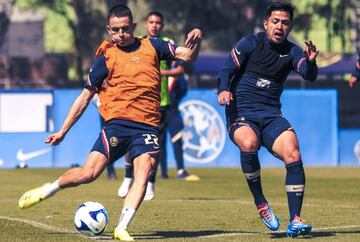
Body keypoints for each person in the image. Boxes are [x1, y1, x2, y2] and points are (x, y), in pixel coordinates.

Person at [18, 5, 202, 241]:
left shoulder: (153, 45)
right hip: (117, 124)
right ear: (109, 30)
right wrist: (62, 131)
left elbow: (188, 56)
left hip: (147, 125)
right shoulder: (105, 58)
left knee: (144, 171)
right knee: (88, 174)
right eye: (115, 30)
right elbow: (84, 97)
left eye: (126, 28)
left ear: (134, 26)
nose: (121, 34)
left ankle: (122, 227)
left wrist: (196, 40)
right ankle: (49, 189)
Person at [217, 1, 318, 238]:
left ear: (290, 26)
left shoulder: (293, 52)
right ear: (266, 23)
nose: (279, 26)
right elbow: (226, 70)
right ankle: (261, 202)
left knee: (293, 152)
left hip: (271, 115)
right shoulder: (250, 43)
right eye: (275, 21)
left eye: (285, 22)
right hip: (241, 112)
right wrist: (223, 89)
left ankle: (295, 219)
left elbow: (308, 75)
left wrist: (311, 62)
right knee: (249, 143)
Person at [117, 11, 199, 201]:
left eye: (158, 23)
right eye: (151, 22)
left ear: (162, 26)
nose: (154, 25)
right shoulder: (137, 42)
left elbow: (180, 68)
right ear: (145, 24)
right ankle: (128, 176)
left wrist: (162, 74)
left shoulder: (166, 43)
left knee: (155, 145)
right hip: (136, 100)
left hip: (160, 102)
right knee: (129, 140)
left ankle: (151, 183)